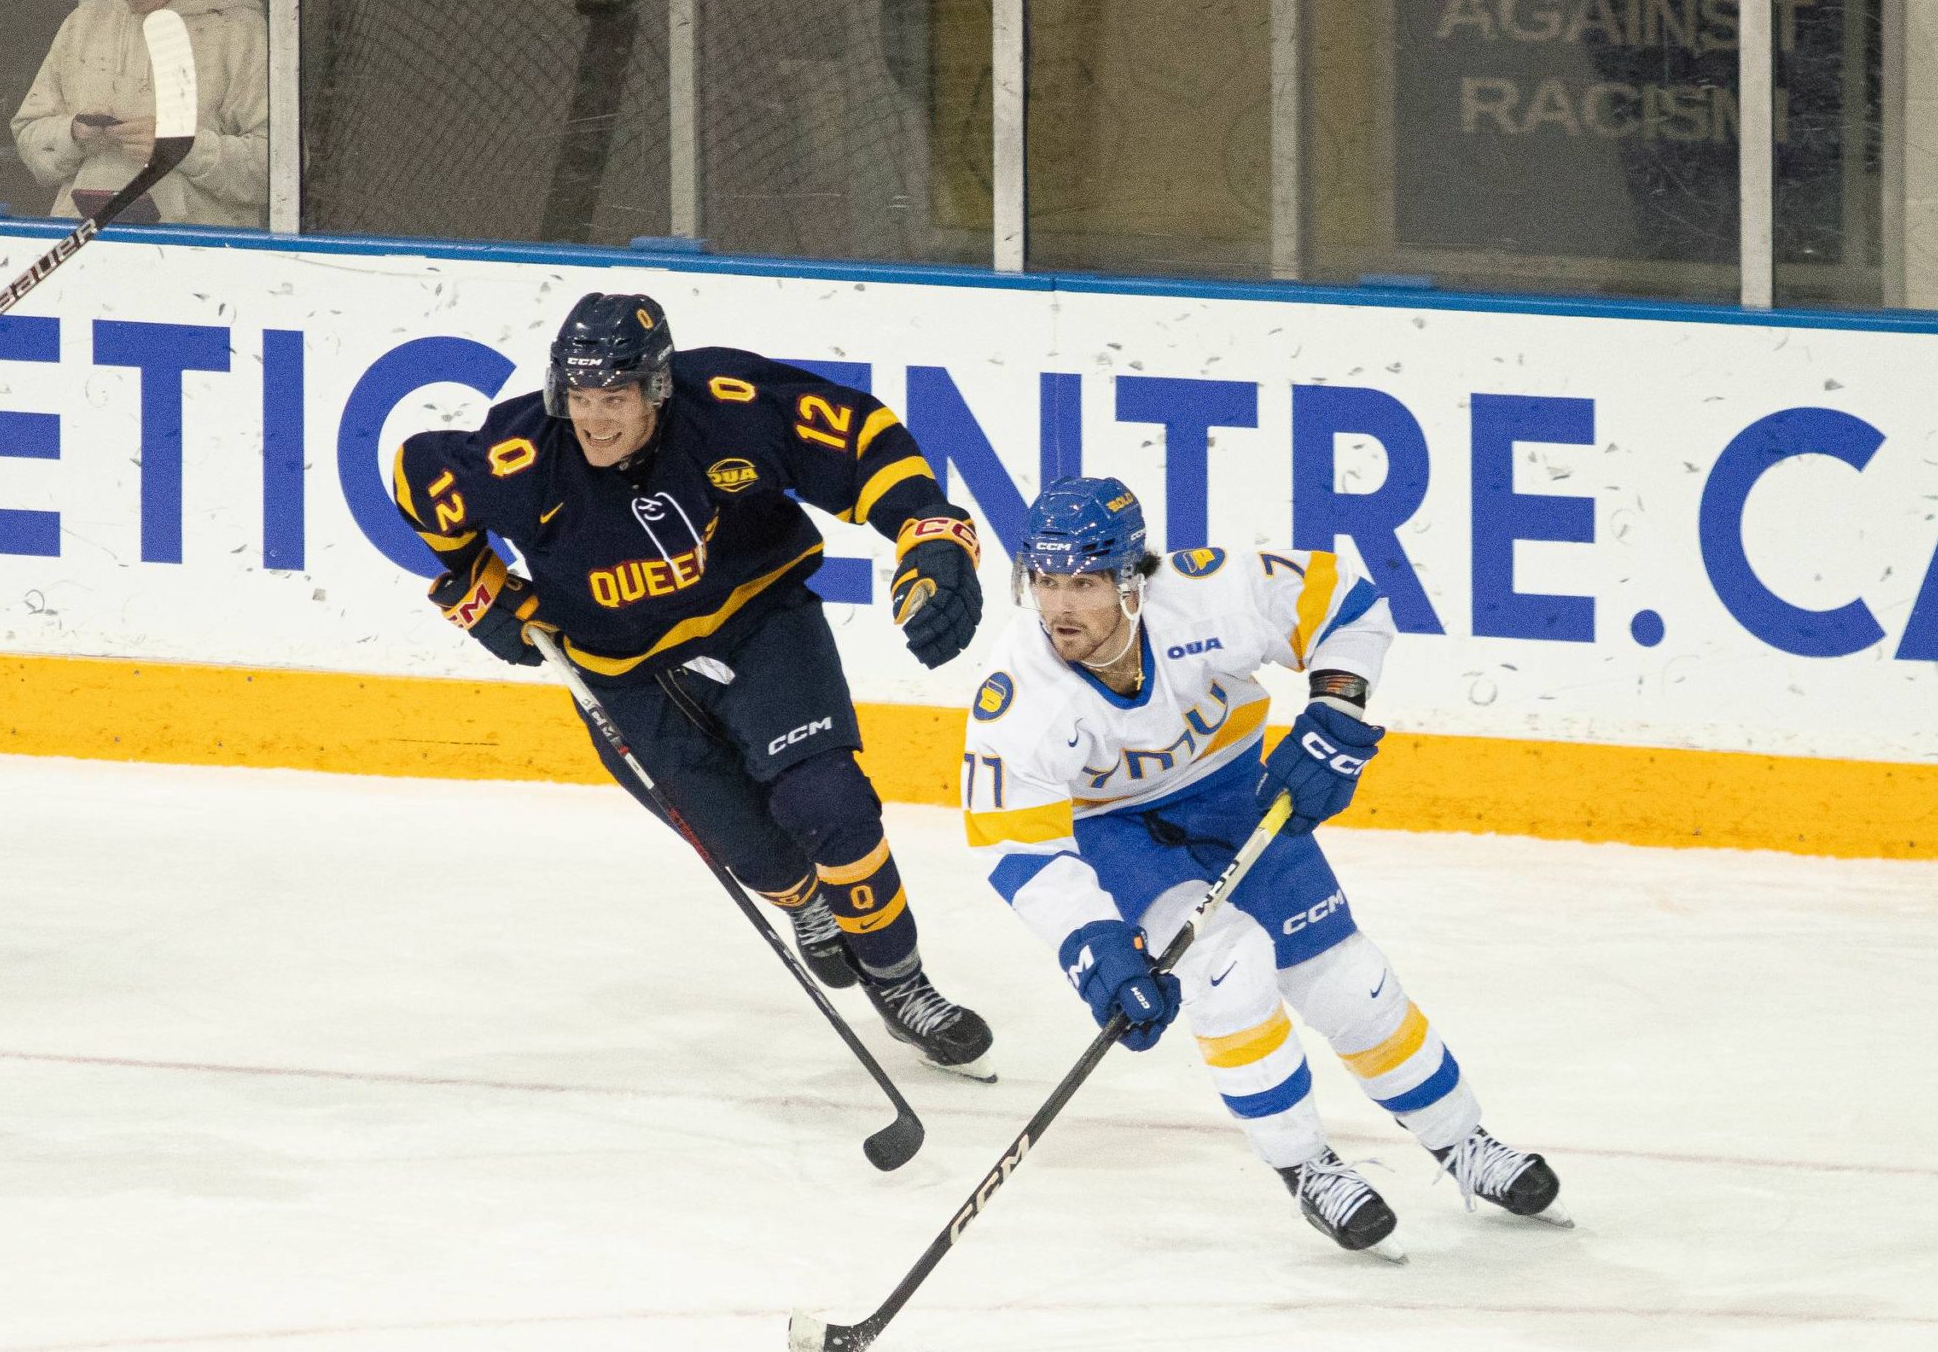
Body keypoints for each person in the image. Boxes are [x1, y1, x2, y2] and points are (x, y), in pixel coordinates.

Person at [960, 476, 1567, 1256]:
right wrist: (1093, 945)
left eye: (1082, 582)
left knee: (1350, 978)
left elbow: (1345, 605)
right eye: (1044, 582)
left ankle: (1464, 1143)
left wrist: (1335, 715)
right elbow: (1017, 843)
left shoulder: (1208, 594)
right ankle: (1308, 1167)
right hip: (1115, 833)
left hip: (1239, 792)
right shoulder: (1019, 698)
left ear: (1129, 581)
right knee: (1226, 967)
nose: (1060, 607)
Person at [393, 292, 995, 1076]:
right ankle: (807, 902)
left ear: (657, 389)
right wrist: (482, 595)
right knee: (758, 851)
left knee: (829, 802)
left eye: (613, 398)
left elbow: (860, 437)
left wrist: (930, 530)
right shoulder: (522, 455)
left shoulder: (728, 408)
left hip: (757, 623)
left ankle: (902, 983)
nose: (594, 421)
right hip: (623, 680)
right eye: (579, 398)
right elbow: (417, 478)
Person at [13, 0, 270, 229]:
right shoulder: (82, 23)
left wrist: (185, 149)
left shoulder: (240, 29)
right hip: (81, 248)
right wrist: (73, 134)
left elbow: (280, 171)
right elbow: (28, 134)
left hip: (194, 256)